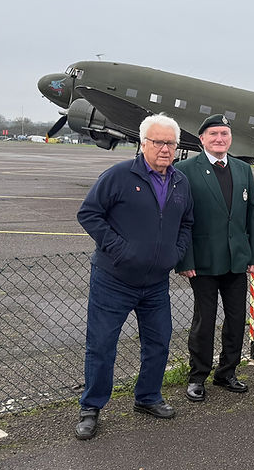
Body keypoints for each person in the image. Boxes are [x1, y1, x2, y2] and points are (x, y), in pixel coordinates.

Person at [74, 114, 194, 440]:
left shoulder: (180, 183)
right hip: (113, 280)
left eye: (170, 143)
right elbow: (88, 213)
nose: (165, 149)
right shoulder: (119, 176)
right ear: (143, 144)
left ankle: (148, 396)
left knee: (158, 343)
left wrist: (175, 253)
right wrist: (119, 249)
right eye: (158, 142)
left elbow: (187, 223)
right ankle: (91, 407)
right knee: (101, 346)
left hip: (155, 283)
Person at [175, 114, 254, 402]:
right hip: (203, 261)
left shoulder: (241, 169)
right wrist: (184, 260)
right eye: (213, 134)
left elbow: (251, 217)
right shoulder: (186, 169)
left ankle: (227, 372)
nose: (219, 139)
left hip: (236, 259)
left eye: (224, 134)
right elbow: (181, 219)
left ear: (230, 138)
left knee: (237, 319)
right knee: (205, 319)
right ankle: (197, 376)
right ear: (202, 139)